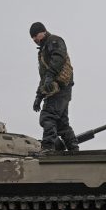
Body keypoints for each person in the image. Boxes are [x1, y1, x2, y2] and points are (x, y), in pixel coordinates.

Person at [30, 22, 79, 153]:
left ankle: (47, 147)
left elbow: (59, 58)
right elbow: (44, 78)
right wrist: (38, 97)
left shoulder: (54, 41)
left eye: (36, 35)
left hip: (60, 88)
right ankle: (74, 149)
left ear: (43, 31)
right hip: (59, 89)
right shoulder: (43, 50)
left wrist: (51, 76)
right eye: (32, 38)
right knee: (62, 123)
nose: (34, 39)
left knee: (47, 116)